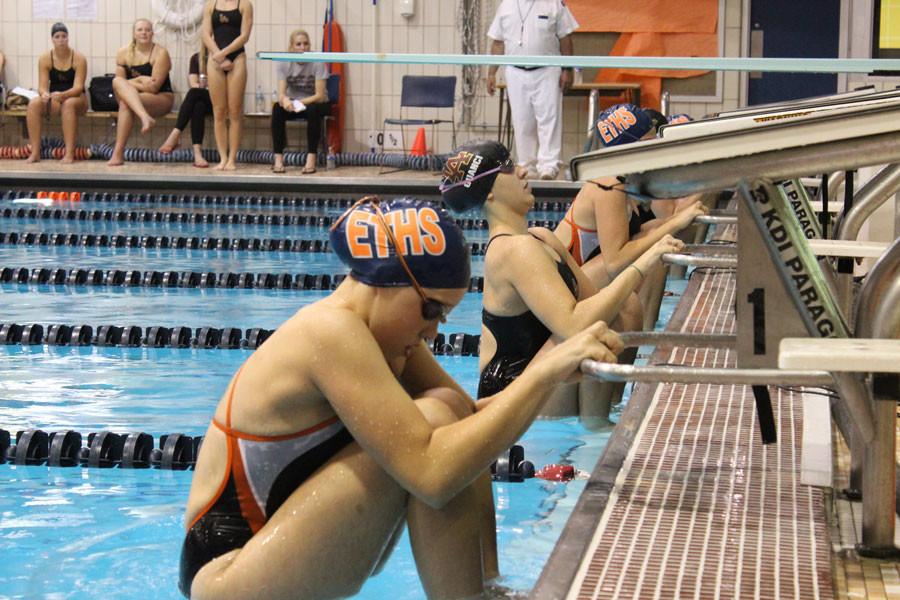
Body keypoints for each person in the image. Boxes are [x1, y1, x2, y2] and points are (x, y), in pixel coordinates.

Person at [179, 196, 622, 600]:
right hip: (228, 574)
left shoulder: (382, 340)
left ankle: (488, 588)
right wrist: (539, 377)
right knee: (435, 425)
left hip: (271, 552)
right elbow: (433, 472)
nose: (433, 330)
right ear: (386, 281)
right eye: (431, 310)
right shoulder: (330, 331)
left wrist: (555, 375)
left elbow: (469, 421)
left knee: (448, 415)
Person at [440, 140, 681, 419]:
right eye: (508, 168)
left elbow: (598, 302)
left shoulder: (541, 237)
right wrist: (643, 263)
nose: (521, 171)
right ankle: (595, 434)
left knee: (625, 307)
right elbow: (574, 325)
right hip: (509, 396)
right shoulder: (512, 250)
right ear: (489, 193)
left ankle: (606, 415)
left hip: (544, 379)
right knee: (590, 334)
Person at [554, 104, 710, 329]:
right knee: (655, 243)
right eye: (649, 140)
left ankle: (649, 333)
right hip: (563, 290)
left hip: (580, 278)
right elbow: (615, 263)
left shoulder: (627, 179)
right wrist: (674, 222)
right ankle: (645, 337)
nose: (656, 146)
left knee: (654, 232)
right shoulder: (608, 184)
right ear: (630, 146)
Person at [486, 0, 579, 180]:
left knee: (549, 120)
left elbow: (565, 39)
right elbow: (498, 42)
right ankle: (526, 165)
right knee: (522, 121)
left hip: (547, 70)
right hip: (515, 71)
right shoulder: (506, 5)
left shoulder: (553, 4)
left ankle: (549, 166)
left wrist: (567, 69)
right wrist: (491, 73)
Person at [107, 19, 175, 167]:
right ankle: (145, 117)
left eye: (147, 29)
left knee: (126, 102)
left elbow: (153, 88)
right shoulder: (123, 53)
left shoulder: (161, 53)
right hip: (135, 98)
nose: (144, 32)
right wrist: (140, 79)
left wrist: (130, 84)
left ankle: (117, 154)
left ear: (152, 33)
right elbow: (119, 84)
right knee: (116, 82)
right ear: (134, 33)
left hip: (161, 98)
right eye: (140, 30)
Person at [24, 23, 88, 164]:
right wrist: (45, 94)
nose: (61, 40)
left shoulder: (79, 58)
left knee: (68, 104)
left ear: (68, 38)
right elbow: (41, 86)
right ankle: (35, 152)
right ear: (52, 39)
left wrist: (63, 95)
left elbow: (78, 88)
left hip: (77, 98)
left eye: (64, 36)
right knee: (34, 104)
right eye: (57, 37)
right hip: (57, 99)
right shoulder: (45, 58)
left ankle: (69, 153)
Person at [201, 0, 254, 171]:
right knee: (219, 111)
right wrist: (218, 55)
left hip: (236, 58)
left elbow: (244, 35)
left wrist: (224, 53)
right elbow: (205, 34)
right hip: (215, 59)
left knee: (235, 111)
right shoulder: (211, 5)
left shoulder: (244, 4)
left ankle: (232, 159)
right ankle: (222, 157)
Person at [270, 29, 331, 174]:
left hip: (317, 103)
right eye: (298, 44)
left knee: (313, 110)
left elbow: (320, 95)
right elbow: (281, 93)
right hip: (296, 103)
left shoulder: (317, 61)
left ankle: (311, 159)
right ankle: (278, 159)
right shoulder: (284, 62)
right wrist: (284, 101)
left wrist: (298, 102)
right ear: (291, 47)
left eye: (306, 44)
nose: (303, 47)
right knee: (277, 109)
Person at [159, 48, 212, 168]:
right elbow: (193, 83)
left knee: (194, 93)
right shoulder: (197, 58)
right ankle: (197, 155)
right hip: (205, 99)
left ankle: (174, 135)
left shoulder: (224, 58)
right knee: (198, 106)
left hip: (221, 100)